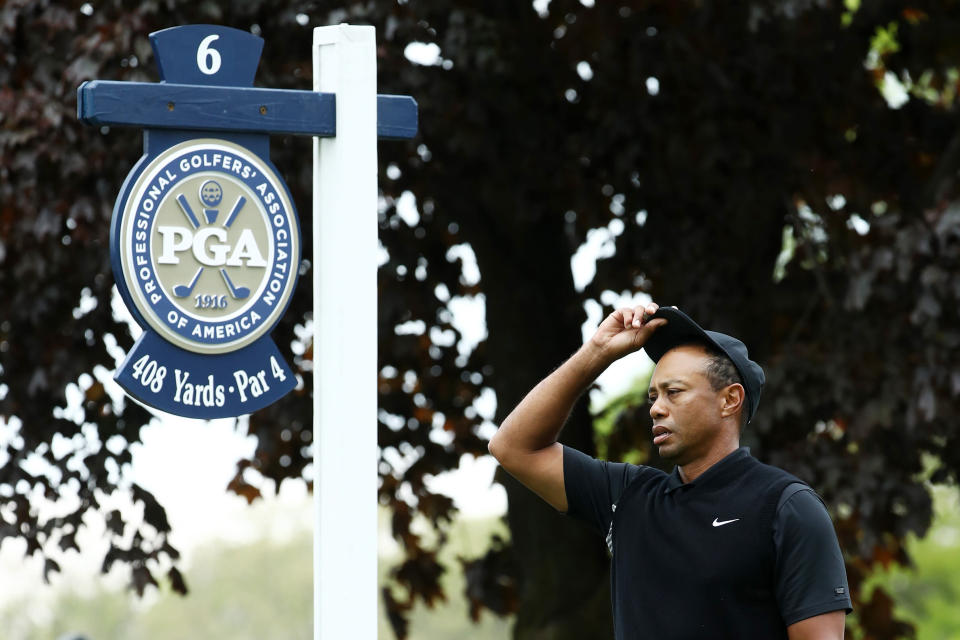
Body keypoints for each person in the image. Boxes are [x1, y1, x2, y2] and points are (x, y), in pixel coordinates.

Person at [488, 302, 852, 639]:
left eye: (673, 392)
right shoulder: (628, 497)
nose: (656, 409)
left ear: (730, 400)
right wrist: (597, 353)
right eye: (652, 397)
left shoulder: (786, 507)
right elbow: (512, 447)